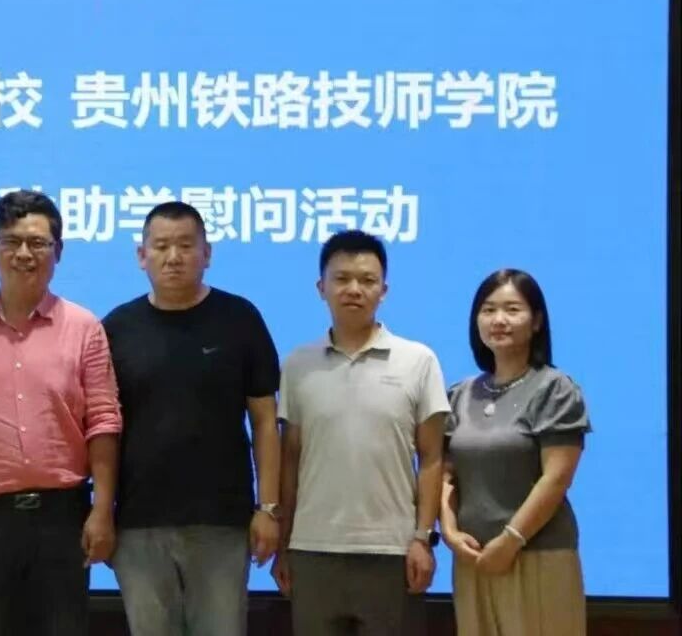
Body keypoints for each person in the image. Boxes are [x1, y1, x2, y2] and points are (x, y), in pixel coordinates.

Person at [0, 190, 122, 636]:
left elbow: (103, 422)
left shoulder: (84, 327)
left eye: (38, 243)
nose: (24, 254)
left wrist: (102, 510)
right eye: (11, 241)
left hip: (63, 516)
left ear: (59, 252)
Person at [103, 201, 281, 636]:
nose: (174, 257)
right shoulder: (117, 328)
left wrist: (268, 508)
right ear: (141, 255)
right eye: (161, 246)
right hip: (138, 523)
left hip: (221, 521)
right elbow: (103, 430)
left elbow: (264, 421)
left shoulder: (240, 318)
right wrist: (102, 510)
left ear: (207, 253)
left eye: (185, 245)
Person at [273, 230, 448, 635]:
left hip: (392, 550)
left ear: (383, 291)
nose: (354, 289)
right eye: (342, 279)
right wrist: (284, 543)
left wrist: (422, 538)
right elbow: (290, 458)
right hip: (313, 550)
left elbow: (432, 458)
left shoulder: (418, 360)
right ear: (321, 288)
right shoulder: (298, 364)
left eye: (367, 280)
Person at [441, 268, 591, 636]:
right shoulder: (460, 394)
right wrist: (449, 531)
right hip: (473, 558)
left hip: (538, 555)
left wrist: (510, 540)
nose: (499, 320)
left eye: (512, 309)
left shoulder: (554, 389)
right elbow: (445, 474)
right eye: (488, 310)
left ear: (536, 321)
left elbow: (556, 478)